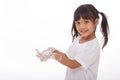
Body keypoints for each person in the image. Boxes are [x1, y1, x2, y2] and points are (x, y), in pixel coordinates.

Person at [36, 4, 109, 80]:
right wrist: (53, 50)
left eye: (86, 22)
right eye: (78, 23)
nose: (82, 27)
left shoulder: (92, 47)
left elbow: (73, 64)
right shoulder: (78, 39)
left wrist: (54, 56)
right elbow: (68, 57)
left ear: (96, 22)